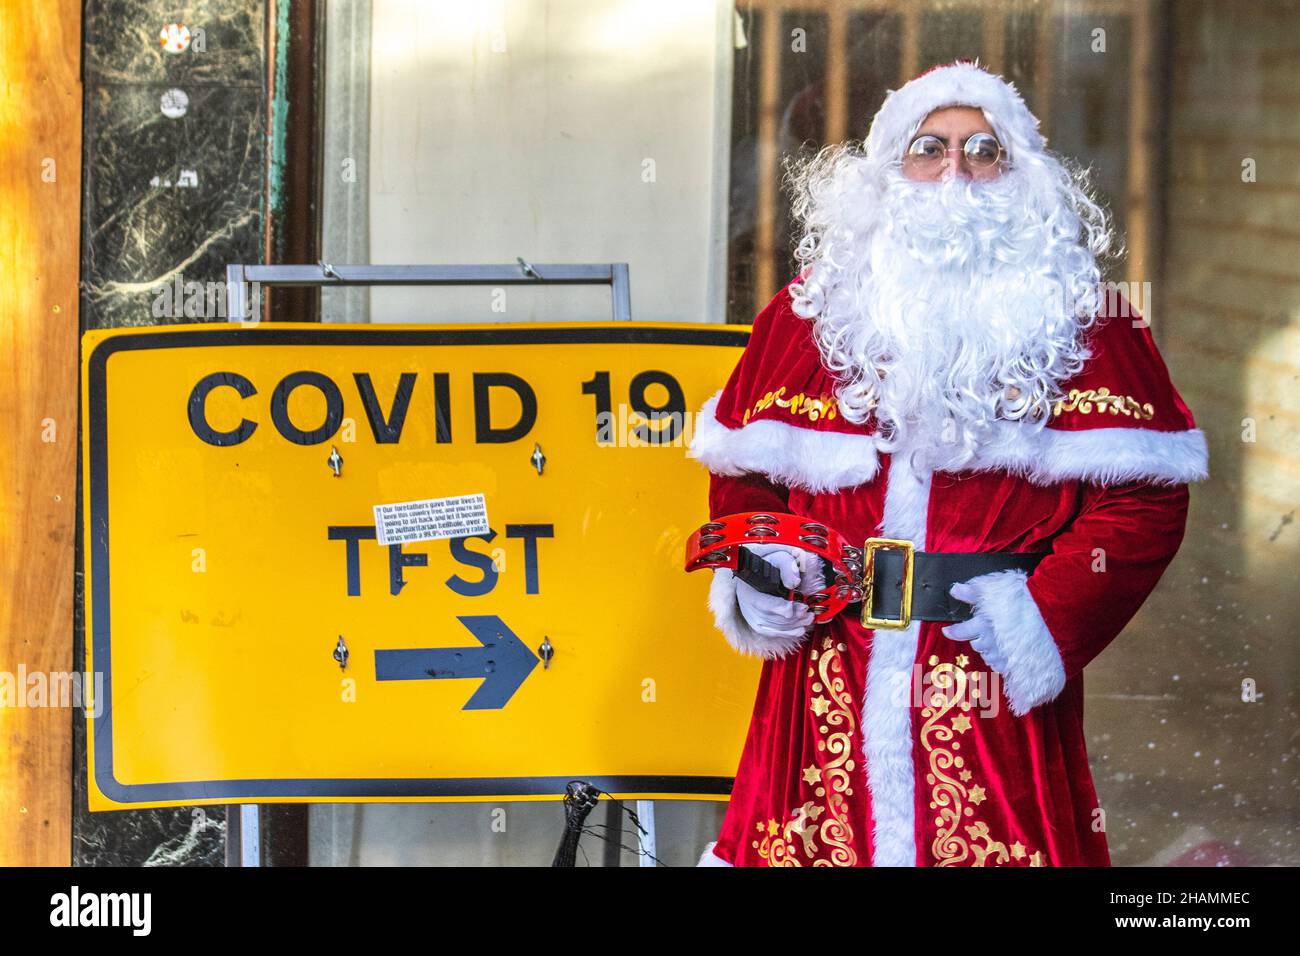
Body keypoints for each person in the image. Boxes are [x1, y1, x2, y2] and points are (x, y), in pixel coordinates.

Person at [688, 60, 1208, 867]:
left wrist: (1041, 618)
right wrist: (760, 563)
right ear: (889, 172)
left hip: (987, 669)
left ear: (1018, 175)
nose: (956, 170)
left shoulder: (1089, 320)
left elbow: (1145, 499)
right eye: (929, 148)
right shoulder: (805, 313)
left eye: (983, 151)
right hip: (828, 665)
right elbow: (742, 469)